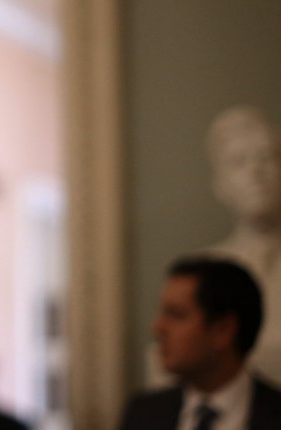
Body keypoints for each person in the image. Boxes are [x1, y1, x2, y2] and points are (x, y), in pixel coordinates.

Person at [119, 257, 281, 430]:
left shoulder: (273, 414)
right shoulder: (143, 413)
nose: (158, 328)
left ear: (223, 330)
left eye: (176, 315)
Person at [202, 105, 281, 384]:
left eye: (267, 158)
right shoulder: (205, 273)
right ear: (219, 183)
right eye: (238, 161)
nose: (254, 170)